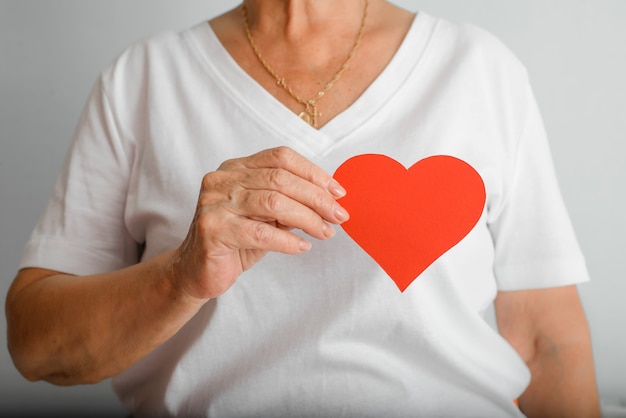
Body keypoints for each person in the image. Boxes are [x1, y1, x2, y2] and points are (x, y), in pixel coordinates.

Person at [6, 1, 600, 417]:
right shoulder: (141, 81)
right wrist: (181, 276)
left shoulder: (480, 69)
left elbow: (547, 338)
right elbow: (35, 346)